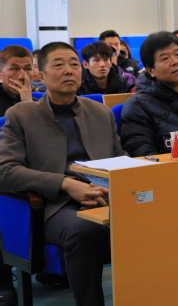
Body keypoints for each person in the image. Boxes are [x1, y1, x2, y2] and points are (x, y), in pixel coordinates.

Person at [0, 41, 122, 306]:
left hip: (103, 198)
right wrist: (65, 183)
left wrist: (109, 189)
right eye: (59, 65)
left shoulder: (101, 113)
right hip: (52, 206)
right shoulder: (21, 115)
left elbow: (119, 161)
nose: (69, 70)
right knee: (85, 229)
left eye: (74, 64)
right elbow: (6, 172)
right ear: (41, 76)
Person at [0, 45, 33, 117]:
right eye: (14, 69)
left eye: (27, 69)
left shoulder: (41, 103)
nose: (22, 77)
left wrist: (28, 104)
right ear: (1, 73)